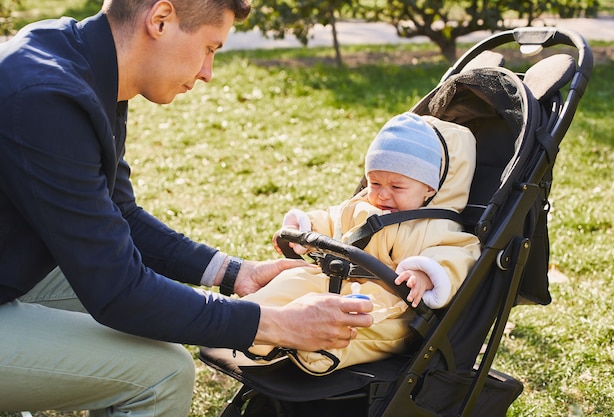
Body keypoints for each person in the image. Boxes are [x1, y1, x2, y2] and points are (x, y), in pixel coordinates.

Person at [0, 0, 373, 415]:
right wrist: (277, 324)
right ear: (160, 20)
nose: (207, 73)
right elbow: (117, 292)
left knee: (157, 323)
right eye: (210, 48)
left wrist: (236, 274)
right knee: (164, 372)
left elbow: (119, 214)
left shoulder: (79, 60)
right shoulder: (49, 98)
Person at [243, 112, 482, 375]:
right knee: (294, 280)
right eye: (374, 182)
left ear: (429, 188)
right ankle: (249, 322)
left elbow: (460, 254)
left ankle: (313, 350)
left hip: (389, 307)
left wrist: (425, 274)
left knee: (356, 324)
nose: (382, 193)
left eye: (397, 187)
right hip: (336, 281)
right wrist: (305, 228)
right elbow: (334, 221)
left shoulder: (435, 226)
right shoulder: (361, 207)